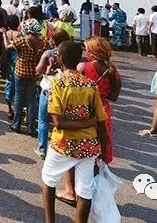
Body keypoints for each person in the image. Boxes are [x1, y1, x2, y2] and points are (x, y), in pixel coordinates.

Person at [41, 40, 107, 223]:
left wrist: (84, 123)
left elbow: (58, 122)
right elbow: (101, 120)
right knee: (85, 191)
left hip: (63, 144)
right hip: (89, 145)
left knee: (48, 180)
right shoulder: (90, 84)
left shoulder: (57, 83)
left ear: (60, 59)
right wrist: (102, 147)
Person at [78, 37, 121, 163]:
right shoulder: (113, 71)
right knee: (101, 139)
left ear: (92, 53)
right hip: (103, 109)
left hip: (85, 108)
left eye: (86, 50)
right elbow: (113, 97)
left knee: (83, 141)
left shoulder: (83, 67)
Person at [6, 19, 50, 135]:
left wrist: (4, 36)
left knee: (19, 98)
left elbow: (8, 47)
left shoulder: (23, 41)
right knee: (31, 100)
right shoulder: (45, 42)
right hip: (34, 73)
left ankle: (16, 124)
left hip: (21, 72)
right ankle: (31, 127)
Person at [33, 29, 70, 160]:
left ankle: (42, 149)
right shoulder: (70, 53)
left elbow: (38, 70)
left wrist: (47, 70)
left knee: (43, 120)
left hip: (48, 90)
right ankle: (61, 149)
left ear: (53, 41)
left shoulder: (48, 53)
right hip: (65, 91)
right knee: (61, 122)